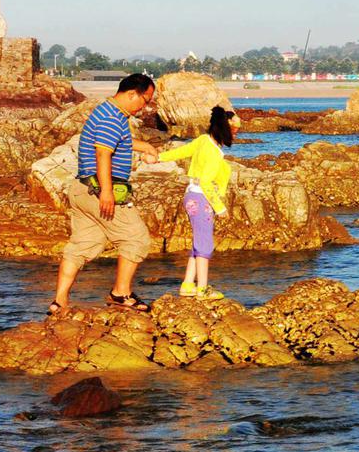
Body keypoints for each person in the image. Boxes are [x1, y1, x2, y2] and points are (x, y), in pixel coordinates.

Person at [50, 72, 161, 315]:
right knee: (136, 238)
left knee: (84, 244)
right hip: (98, 190)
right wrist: (107, 192)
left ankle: (59, 302)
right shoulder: (113, 118)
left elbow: (116, 141)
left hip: (81, 189)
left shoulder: (107, 112)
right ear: (132, 93)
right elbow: (103, 154)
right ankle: (120, 294)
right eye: (146, 100)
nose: (145, 106)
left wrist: (146, 146)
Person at [159, 106, 237, 301]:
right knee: (205, 244)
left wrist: (158, 158)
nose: (236, 133)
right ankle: (202, 289)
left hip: (191, 196)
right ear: (225, 129)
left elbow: (183, 151)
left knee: (199, 241)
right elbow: (206, 182)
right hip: (202, 198)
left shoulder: (204, 141)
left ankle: (188, 284)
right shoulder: (213, 151)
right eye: (234, 129)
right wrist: (220, 208)